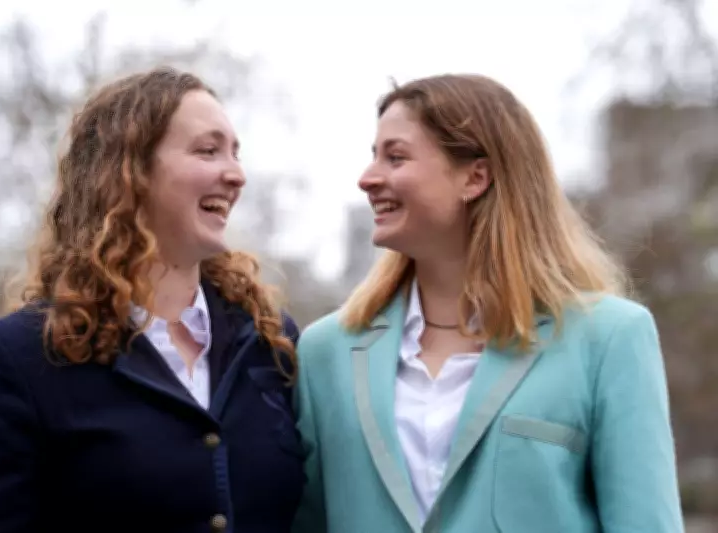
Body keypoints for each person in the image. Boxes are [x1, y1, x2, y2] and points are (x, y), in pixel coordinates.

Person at [291, 74, 684, 533]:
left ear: (475, 177)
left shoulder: (610, 338)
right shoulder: (325, 353)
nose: (367, 178)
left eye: (395, 157)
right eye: (374, 156)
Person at [0, 67, 303, 533]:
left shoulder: (271, 342)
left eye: (235, 153)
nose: (236, 174)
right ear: (130, 172)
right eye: (207, 151)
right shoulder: (17, 358)